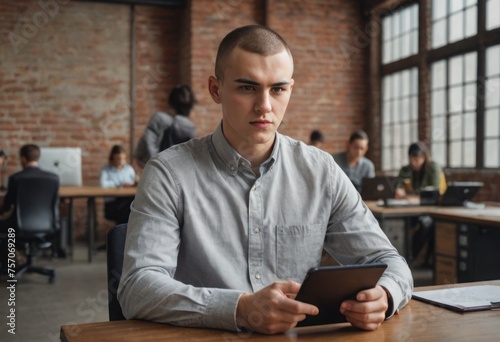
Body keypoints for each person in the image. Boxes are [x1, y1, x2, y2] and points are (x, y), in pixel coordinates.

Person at [118, 25, 412, 335]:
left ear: (290, 89)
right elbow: (137, 287)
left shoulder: (321, 171)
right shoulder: (168, 173)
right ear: (216, 90)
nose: (265, 106)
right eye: (247, 87)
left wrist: (386, 294)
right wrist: (240, 308)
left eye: (277, 89)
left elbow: (388, 260)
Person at [0, 144, 60, 271]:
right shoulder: (54, 178)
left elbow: (7, 206)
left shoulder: (15, 178)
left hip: (18, 226)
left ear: (23, 159)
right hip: (48, 225)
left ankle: (7, 265)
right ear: (37, 158)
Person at [395, 141, 445, 268]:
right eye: (412, 159)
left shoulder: (432, 167)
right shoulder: (409, 170)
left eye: (417, 159)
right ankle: (399, 257)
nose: (414, 162)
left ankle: (410, 258)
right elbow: (398, 185)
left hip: (433, 209)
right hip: (413, 209)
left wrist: (411, 197)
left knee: (426, 223)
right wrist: (399, 188)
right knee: (400, 222)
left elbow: (432, 193)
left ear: (424, 157)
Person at [135, 85, 197, 168]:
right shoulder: (190, 128)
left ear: (171, 102)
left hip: (158, 169)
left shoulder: (159, 118)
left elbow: (147, 144)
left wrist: (156, 166)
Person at [100, 145, 136, 225]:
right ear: (113, 158)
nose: (121, 161)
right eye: (119, 158)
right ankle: (122, 233)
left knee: (131, 204)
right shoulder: (106, 169)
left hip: (127, 200)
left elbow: (133, 182)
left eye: (123, 158)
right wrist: (120, 184)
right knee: (126, 209)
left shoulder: (129, 169)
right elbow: (103, 184)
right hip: (113, 203)